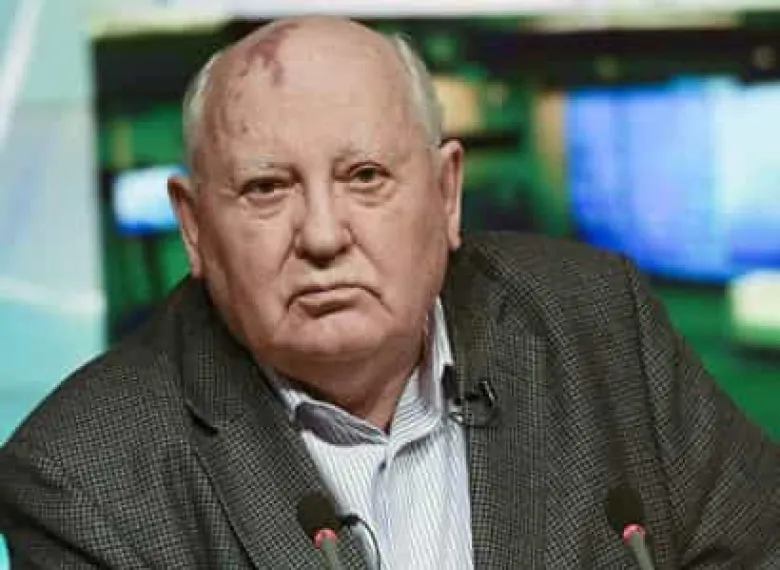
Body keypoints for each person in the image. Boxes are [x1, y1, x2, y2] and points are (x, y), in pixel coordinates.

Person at [1, 16, 779, 569]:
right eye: (267, 188)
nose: (322, 235)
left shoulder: (599, 322)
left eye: (365, 176)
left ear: (446, 194)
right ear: (195, 227)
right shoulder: (80, 477)